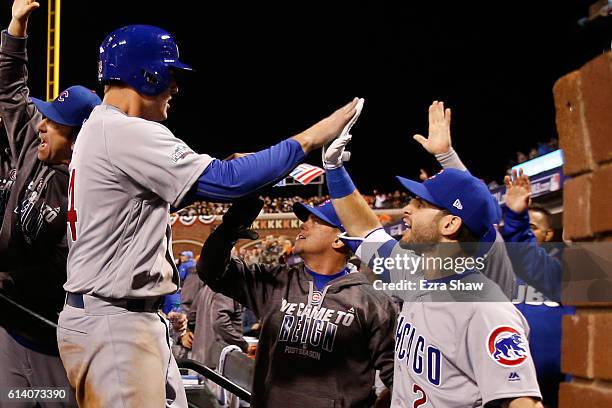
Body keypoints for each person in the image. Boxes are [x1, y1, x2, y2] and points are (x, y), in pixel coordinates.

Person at [56, 24, 359, 407]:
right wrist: (314, 136)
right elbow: (227, 182)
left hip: (117, 319)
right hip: (115, 325)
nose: (175, 87)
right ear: (146, 73)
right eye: (171, 75)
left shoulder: (101, 129)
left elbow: (137, 209)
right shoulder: (124, 130)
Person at [322, 102, 543, 407]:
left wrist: (447, 158)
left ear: (451, 224)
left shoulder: (485, 308)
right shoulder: (416, 273)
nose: (406, 209)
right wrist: (334, 169)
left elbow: (523, 403)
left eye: (420, 204)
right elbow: (365, 229)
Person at [198, 198, 396, 407]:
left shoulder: (373, 303)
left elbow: (398, 377)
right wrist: (228, 231)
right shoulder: (275, 281)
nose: (303, 224)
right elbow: (211, 272)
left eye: (315, 220)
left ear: (339, 240)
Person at [0, 1, 101, 406]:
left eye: (53, 121)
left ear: (76, 137)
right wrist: (17, 27)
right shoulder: (32, 147)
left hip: (56, 344)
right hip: (11, 331)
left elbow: (71, 266)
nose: (40, 124)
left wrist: (8, 274)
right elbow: (9, 89)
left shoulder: (92, 187)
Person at [503, 169, 575, 407]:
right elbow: (524, 253)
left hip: (567, 385)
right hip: (518, 383)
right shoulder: (555, 272)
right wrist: (515, 216)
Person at [191, 284, 249, 369]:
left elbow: (191, 317)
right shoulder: (227, 289)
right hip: (218, 365)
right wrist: (243, 344)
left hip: (200, 362)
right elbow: (220, 322)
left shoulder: (207, 287)